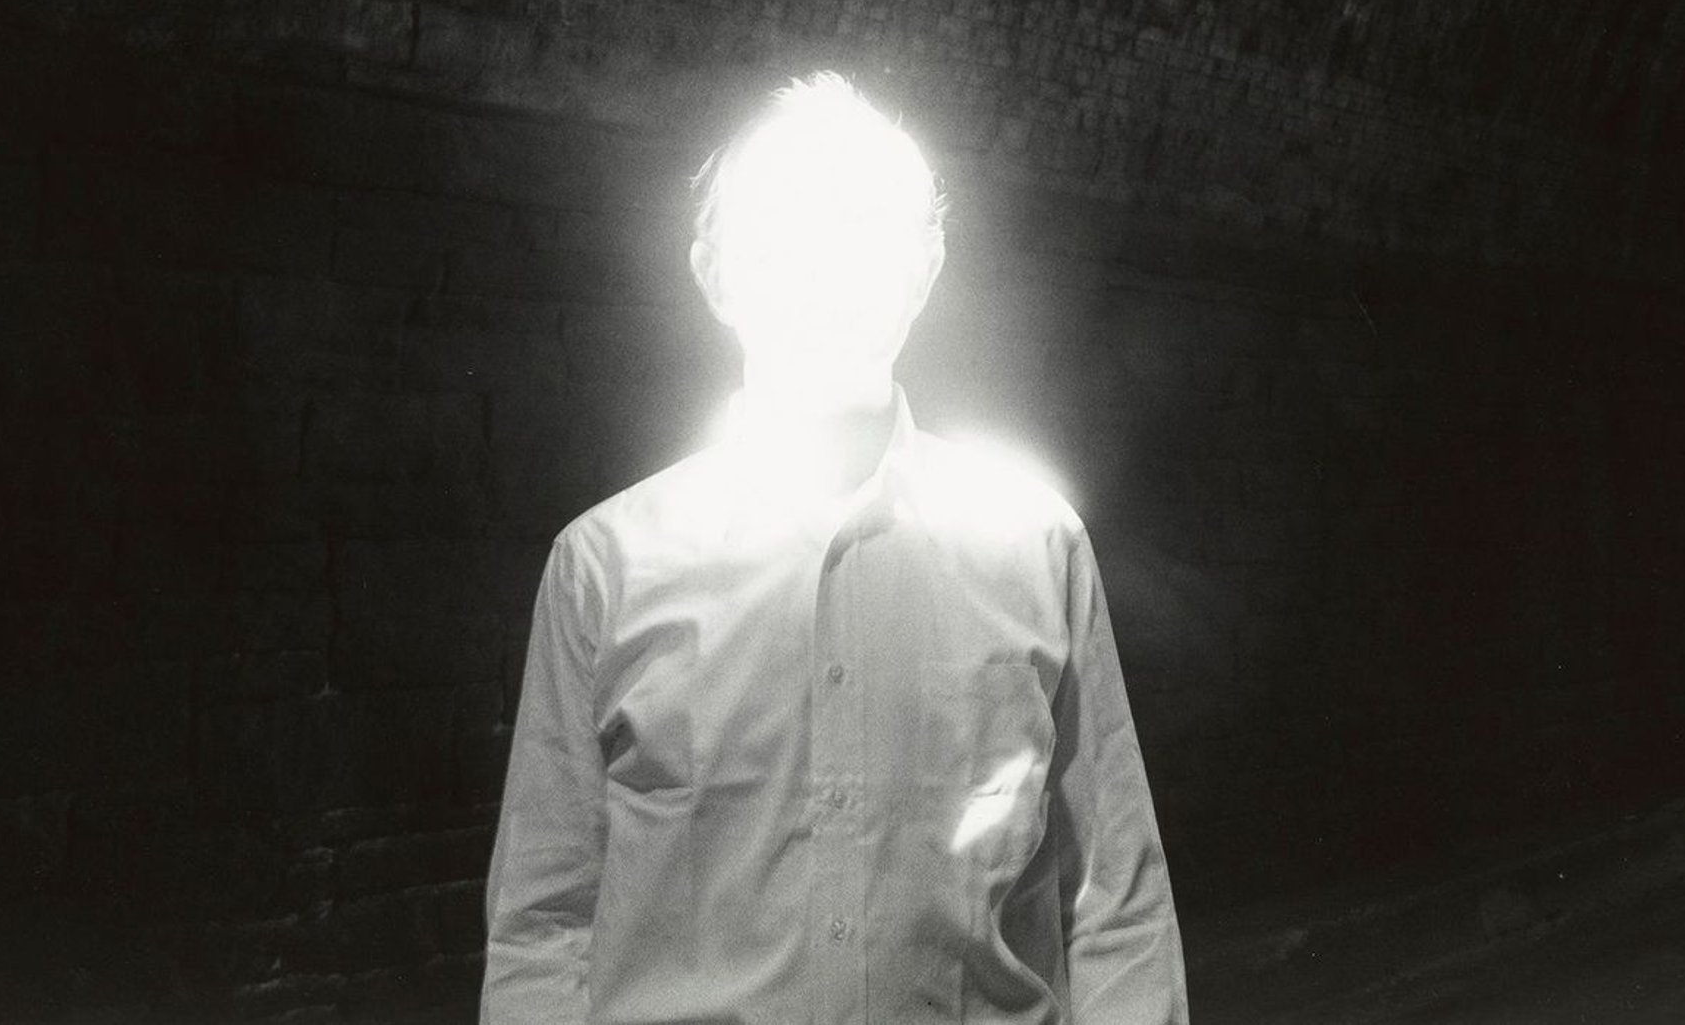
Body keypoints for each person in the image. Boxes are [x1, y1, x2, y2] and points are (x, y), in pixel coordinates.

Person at [480, 73, 1189, 1023]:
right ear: (715, 275)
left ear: (925, 270)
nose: (825, 272)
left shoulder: (1038, 547)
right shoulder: (603, 568)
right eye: (782, 237)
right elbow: (546, 920)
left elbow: (1116, 905)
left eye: (864, 230)